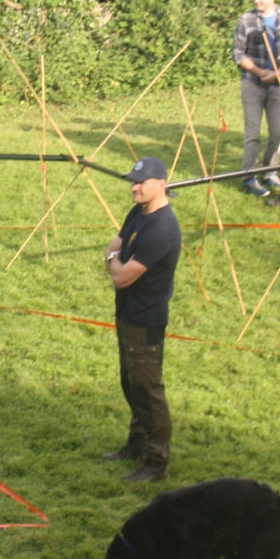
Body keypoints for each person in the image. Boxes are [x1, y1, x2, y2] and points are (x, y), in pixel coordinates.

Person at [100, 156, 182, 484]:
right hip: (127, 313)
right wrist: (115, 259)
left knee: (148, 390)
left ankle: (157, 463)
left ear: (161, 184)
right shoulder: (139, 212)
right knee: (131, 382)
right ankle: (136, 444)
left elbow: (122, 277)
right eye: (133, 181)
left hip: (145, 320)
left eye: (141, 182)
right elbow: (114, 248)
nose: (135, 187)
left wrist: (114, 261)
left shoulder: (162, 228)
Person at [231, 0, 280, 196]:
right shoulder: (246, 20)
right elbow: (238, 54)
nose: (257, 0)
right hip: (252, 83)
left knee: (277, 132)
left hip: (277, 83)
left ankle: (270, 172)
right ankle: (249, 177)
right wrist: (260, 72)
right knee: (253, 134)